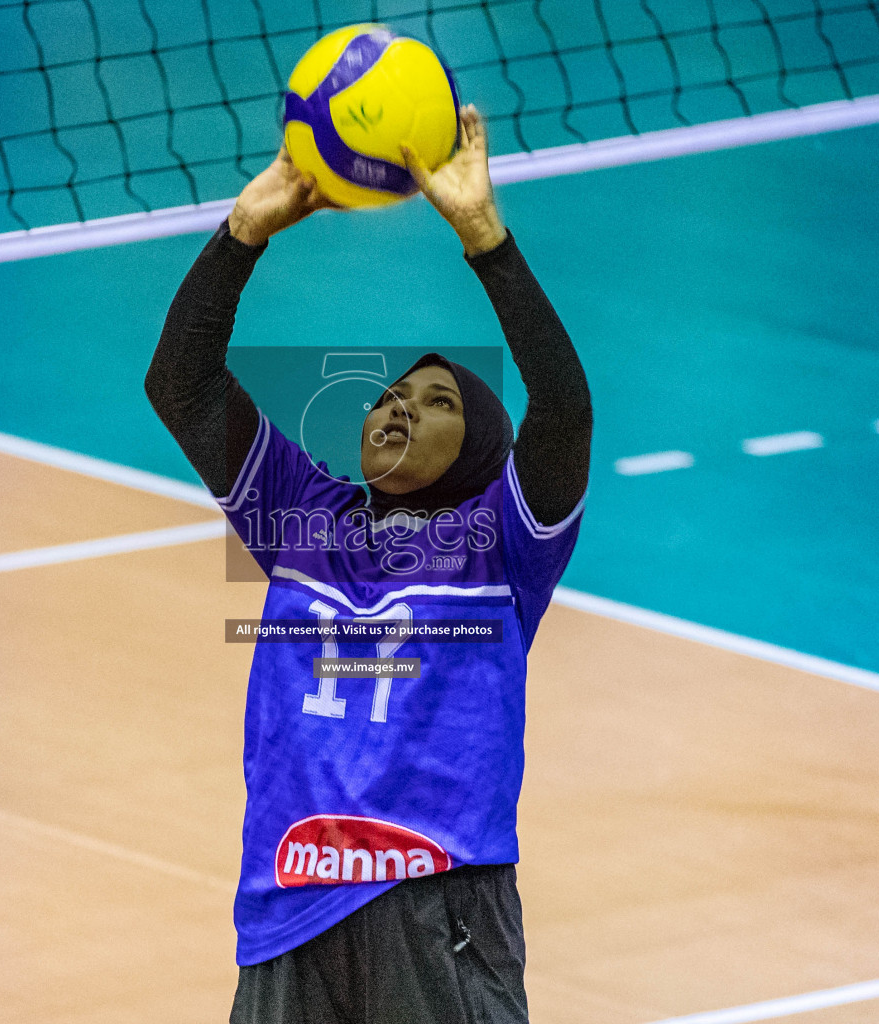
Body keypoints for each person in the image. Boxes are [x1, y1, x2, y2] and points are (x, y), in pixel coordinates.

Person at [144, 105, 592, 1023]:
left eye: (435, 402)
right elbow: (179, 383)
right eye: (391, 393)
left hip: (435, 902)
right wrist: (241, 235)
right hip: (286, 903)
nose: (398, 407)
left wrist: (486, 241)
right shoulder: (301, 512)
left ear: (480, 450)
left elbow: (565, 410)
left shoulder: (502, 542)